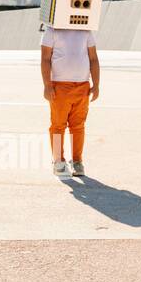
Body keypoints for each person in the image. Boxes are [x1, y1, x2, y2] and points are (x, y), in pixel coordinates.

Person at [40, 24, 100, 176]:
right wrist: (47, 85)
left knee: (78, 126)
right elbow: (45, 59)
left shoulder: (85, 30)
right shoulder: (52, 30)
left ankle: (77, 161)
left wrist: (96, 84)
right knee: (58, 125)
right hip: (60, 86)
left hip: (82, 86)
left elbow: (93, 58)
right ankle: (58, 161)